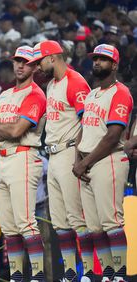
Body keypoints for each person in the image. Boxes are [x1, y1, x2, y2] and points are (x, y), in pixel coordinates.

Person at [27, 40, 93, 281]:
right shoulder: (52, 85)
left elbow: (89, 121)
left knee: (76, 217)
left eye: (40, 61)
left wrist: (79, 157)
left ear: (52, 58)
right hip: (53, 155)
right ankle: (68, 272)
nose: (37, 67)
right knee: (59, 221)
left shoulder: (75, 81)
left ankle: (86, 271)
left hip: (69, 153)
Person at [0, 46, 47, 281]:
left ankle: (38, 276)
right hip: (2, 158)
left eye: (26, 62)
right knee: (9, 228)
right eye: (17, 61)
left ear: (34, 67)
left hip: (24, 157)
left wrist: (2, 128)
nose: (20, 66)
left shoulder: (36, 94)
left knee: (26, 223)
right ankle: (17, 276)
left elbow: (18, 129)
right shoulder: (6, 95)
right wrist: (5, 129)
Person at [73, 44, 133, 282]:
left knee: (111, 221)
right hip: (87, 163)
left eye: (103, 59)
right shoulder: (92, 94)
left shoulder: (120, 92)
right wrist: (78, 158)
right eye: (95, 58)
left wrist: (85, 161)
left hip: (107, 160)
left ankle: (119, 275)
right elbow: (84, 129)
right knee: (95, 225)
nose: (97, 62)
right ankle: (108, 274)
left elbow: (113, 136)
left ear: (114, 65)